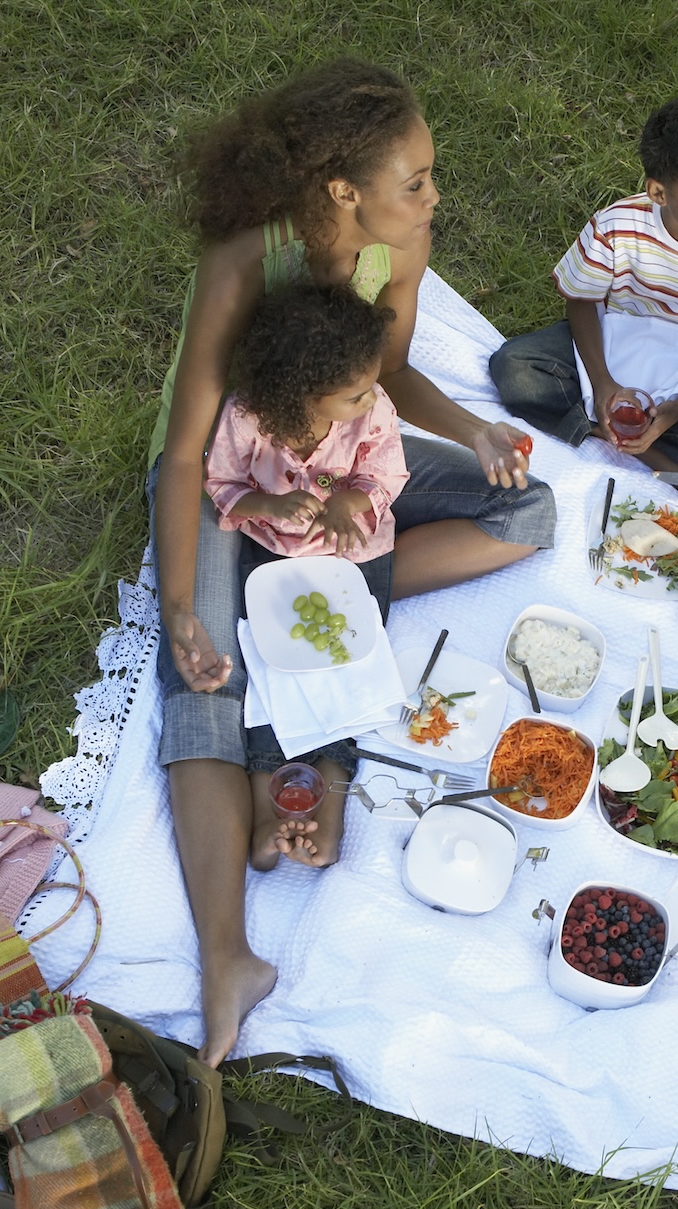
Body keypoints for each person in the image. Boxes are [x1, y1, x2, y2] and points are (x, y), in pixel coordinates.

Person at [151, 59, 555, 1065]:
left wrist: (475, 430)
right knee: (202, 688)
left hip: (346, 467)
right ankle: (223, 956)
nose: (431, 198)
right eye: (412, 180)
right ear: (341, 190)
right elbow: (192, 452)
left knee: (530, 508)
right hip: (231, 478)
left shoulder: (403, 242)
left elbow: (395, 375)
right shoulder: (246, 262)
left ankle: (316, 584)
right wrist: (179, 605)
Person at [204, 283, 407, 870]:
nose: (370, 399)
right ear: (299, 396)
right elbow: (222, 485)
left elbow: (386, 472)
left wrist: (353, 499)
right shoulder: (247, 419)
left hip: (355, 553)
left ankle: (332, 809)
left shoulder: (373, 412)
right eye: (353, 394)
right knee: (273, 674)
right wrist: (267, 507)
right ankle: (269, 809)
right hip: (274, 557)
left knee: (349, 668)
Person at [488, 97, 678, 472]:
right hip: (608, 341)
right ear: (659, 193)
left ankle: (627, 434)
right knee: (514, 367)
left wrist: (676, 410)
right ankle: (623, 440)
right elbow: (582, 301)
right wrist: (603, 384)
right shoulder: (616, 226)